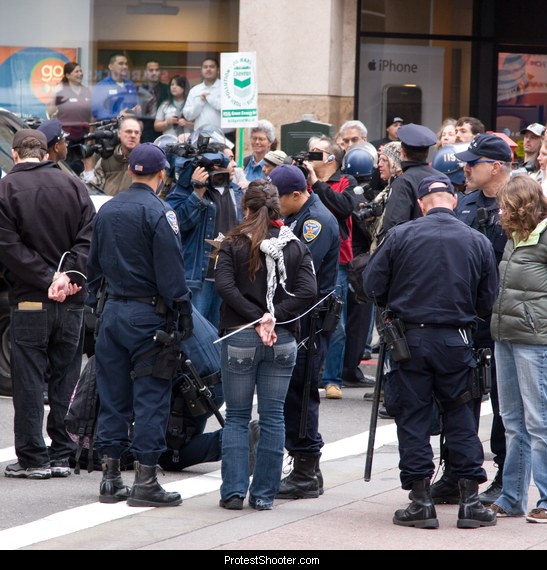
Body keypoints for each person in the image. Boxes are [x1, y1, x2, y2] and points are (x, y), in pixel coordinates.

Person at [363, 173, 499, 529]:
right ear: (453, 201)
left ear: (422, 204)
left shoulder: (400, 236)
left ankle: (421, 500)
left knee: (412, 417)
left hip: (410, 341)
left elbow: (372, 285)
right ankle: (470, 501)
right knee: (461, 415)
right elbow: (487, 300)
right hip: (456, 340)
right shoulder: (477, 240)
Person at [87, 142, 193, 507]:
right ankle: (145, 480)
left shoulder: (107, 209)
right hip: (148, 316)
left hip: (112, 312)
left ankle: (110, 478)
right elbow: (172, 274)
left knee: (112, 398)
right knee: (150, 398)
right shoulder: (160, 212)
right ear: (161, 175)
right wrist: (183, 310)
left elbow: (92, 267)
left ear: (131, 170)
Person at [214, 178, 317, 510]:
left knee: (237, 416)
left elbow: (224, 287)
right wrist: (273, 316)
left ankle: (233, 492)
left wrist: (256, 318)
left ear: (245, 208)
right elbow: (308, 291)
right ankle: (263, 495)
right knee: (273, 417)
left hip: (241, 334)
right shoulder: (294, 245)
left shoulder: (232, 243)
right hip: (282, 337)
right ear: (277, 209)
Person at [0, 129, 94, 479]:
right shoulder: (74, 185)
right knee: (65, 377)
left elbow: (8, 248)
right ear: (45, 153)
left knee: (28, 378)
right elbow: (89, 238)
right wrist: (68, 276)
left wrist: (47, 278)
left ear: (14, 153)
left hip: (30, 299)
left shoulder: (6, 188)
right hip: (71, 297)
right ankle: (61, 454)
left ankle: (33, 458)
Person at [428, 134, 513, 506]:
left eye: (473, 162)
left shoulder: (520, 203)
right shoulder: (465, 203)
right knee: (458, 397)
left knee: (505, 403)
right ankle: (456, 474)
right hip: (465, 318)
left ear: (495, 167)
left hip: (504, 317)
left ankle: (505, 475)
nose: (465, 167)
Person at [268, 164, 340, 500]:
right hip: (300, 317)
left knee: (301, 392)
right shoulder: (300, 216)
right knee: (294, 392)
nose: (275, 206)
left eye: (278, 199)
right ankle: (307, 467)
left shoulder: (315, 222)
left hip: (310, 320)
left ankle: (305, 470)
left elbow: (300, 267)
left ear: (296, 194)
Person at [489, 175, 547, 523]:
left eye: (506, 206)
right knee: (512, 420)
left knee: (539, 421)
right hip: (506, 335)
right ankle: (512, 497)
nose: (501, 212)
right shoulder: (514, 238)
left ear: (523, 206)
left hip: (534, 339)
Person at [165, 139, 244, 329]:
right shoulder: (186, 190)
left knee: (219, 333)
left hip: (228, 277)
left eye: (232, 159)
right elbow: (178, 225)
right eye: (228, 159)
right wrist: (197, 193)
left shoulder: (237, 191)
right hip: (198, 278)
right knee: (195, 332)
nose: (233, 163)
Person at [304, 135, 357, 400]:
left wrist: (316, 183)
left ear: (331, 158)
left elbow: (345, 208)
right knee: (305, 318)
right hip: (305, 257)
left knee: (335, 322)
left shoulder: (346, 181)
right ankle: (308, 374)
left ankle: (332, 379)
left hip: (337, 261)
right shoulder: (302, 180)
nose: (310, 156)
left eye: (317, 152)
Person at [376, 123, 441, 243]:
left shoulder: (403, 182)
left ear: (403, 153)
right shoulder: (442, 178)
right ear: (426, 153)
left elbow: (393, 226)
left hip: (413, 249)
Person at [46, 61, 93, 173]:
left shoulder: (86, 91)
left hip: (83, 136)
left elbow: (91, 115)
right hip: (66, 137)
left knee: (83, 167)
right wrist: (55, 94)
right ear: (67, 75)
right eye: (76, 71)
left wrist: (91, 135)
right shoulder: (61, 90)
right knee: (67, 167)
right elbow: (50, 112)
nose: (80, 73)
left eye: (81, 71)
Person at [80, 115, 142, 196]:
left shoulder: (144, 159)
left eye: (136, 132)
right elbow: (92, 188)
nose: (133, 135)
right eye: (128, 132)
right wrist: (88, 168)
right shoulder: (107, 158)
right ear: (119, 133)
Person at [182, 57, 233, 140]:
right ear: (201, 70)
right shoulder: (195, 90)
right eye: (205, 67)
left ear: (218, 70)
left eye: (211, 67)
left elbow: (230, 111)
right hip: (202, 136)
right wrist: (200, 102)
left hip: (224, 136)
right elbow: (188, 116)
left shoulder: (227, 88)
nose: (208, 69)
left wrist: (210, 99)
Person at [92, 52, 140, 121]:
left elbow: (136, 106)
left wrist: (137, 112)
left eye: (126, 64)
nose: (125, 67)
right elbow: (97, 112)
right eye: (121, 64)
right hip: (111, 126)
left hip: (129, 125)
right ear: (111, 67)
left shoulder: (130, 85)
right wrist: (119, 117)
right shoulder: (102, 86)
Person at [138, 59, 170, 143]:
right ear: (146, 73)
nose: (154, 73)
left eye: (157, 70)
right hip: (144, 131)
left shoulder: (167, 90)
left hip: (163, 131)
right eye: (151, 70)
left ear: (160, 72)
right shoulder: (139, 91)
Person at [154, 75, 193, 139]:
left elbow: (198, 125)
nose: (174, 87)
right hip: (169, 141)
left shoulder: (190, 104)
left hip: (187, 141)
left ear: (184, 87)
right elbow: (156, 127)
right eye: (172, 84)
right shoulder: (165, 105)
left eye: (177, 85)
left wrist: (186, 123)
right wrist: (167, 123)